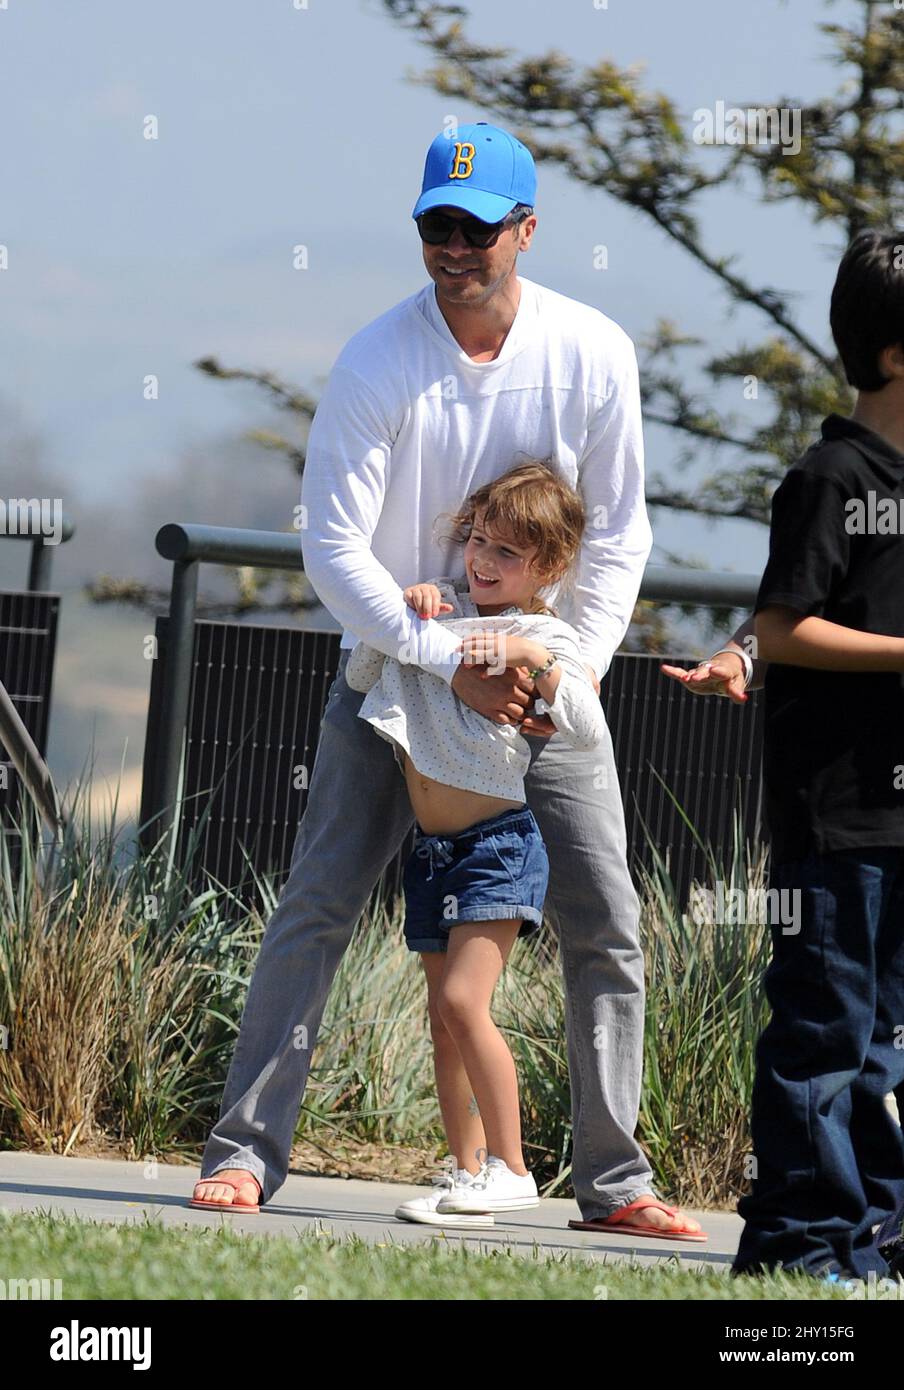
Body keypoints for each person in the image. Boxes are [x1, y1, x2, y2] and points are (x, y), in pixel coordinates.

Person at [190, 120, 705, 1242]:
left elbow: (618, 535)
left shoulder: (590, 350)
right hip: (396, 677)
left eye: (477, 227)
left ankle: (613, 1184)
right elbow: (334, 548)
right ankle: (242, 1155)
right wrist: (452, 660)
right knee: (318, 905)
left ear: (526, 229)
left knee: (605, 920)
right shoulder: (379, 358)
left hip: (544, 689)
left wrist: (566, 667)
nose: (454, 247)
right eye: (436, 224)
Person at [673, 231, 904, 1280]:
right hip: (837, 817)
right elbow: (779, 626)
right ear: (893, 354)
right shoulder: (828, 477)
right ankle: (799, 1246)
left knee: (885, 1043)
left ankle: (873, 1237)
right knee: (823, 1031)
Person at [342, 462, 607, 1224]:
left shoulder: (541, 632)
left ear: (548, 569)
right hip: (430, 852)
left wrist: (534, 662)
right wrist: (404, 613)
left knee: (465, 1000)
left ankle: (511, 1165)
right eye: (478, 542)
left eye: (508, 554)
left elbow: (586, 728)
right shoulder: (440, 615)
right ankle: (466, 1173)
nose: (484, 563)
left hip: (498, 845)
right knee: (442, 1016)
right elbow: (364, 671)